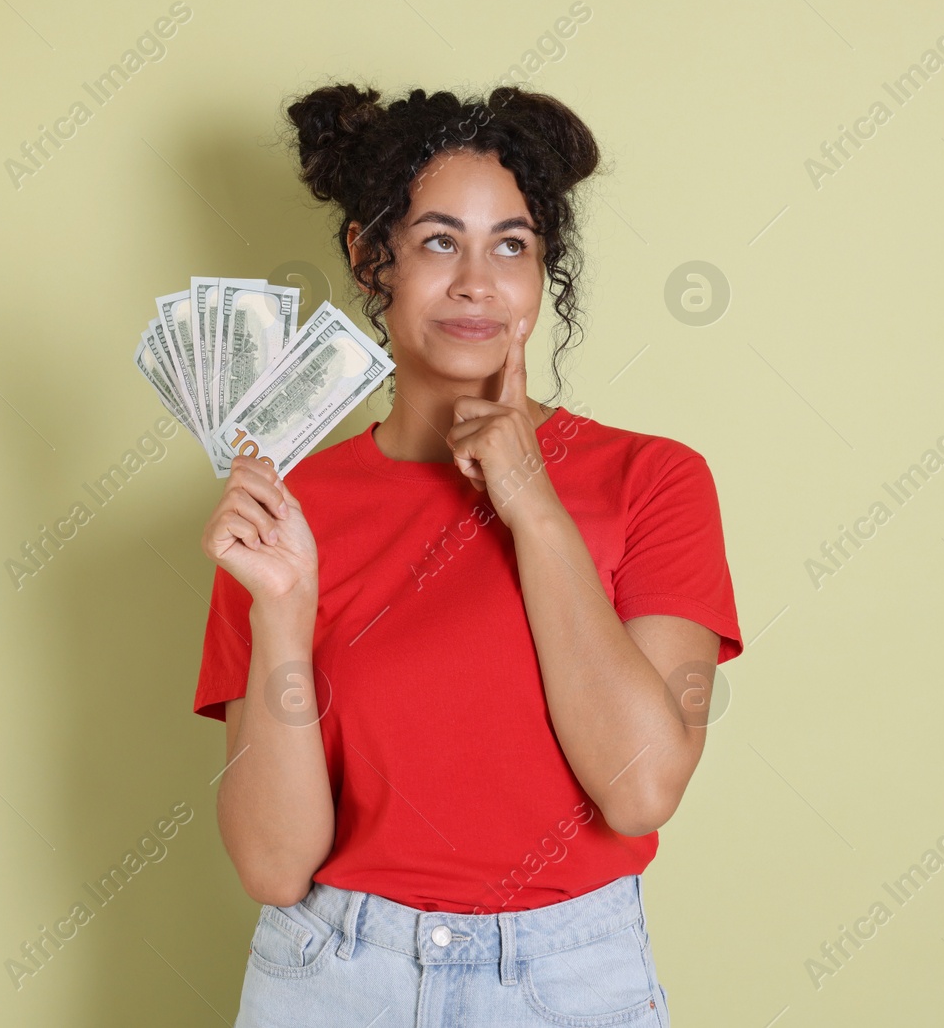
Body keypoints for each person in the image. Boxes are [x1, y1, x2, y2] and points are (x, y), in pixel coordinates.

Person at [193, 83, 743, 1027]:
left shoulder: (653, 479)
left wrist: (533, 506)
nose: (477, 282)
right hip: (331, 974)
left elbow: (642, 790)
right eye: (440, 241)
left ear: (543, 274)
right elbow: (273, 864)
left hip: (565, 979)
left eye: (513, 245)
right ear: (375, 259)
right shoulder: (291, 506)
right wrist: (282, 609)